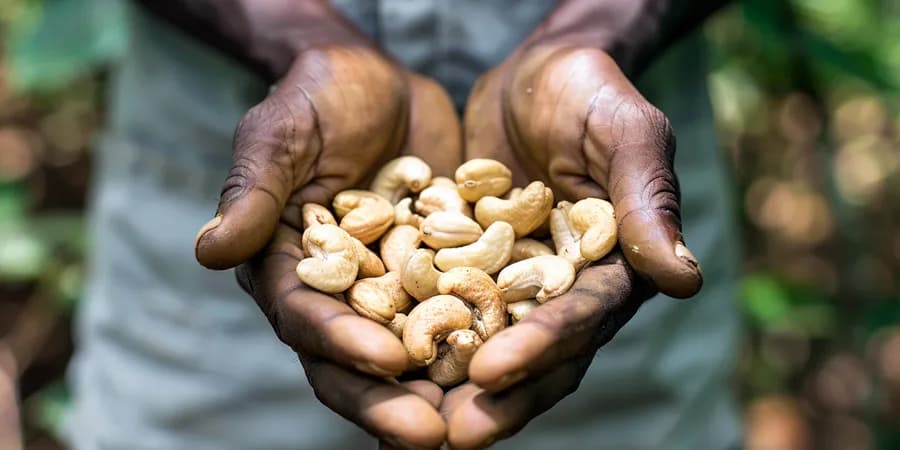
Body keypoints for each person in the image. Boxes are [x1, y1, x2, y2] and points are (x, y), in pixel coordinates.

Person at [68, 1, 741, 449]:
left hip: (597, 157)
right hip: (220, 160)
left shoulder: (504, 233)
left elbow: (452, 260)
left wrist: (591, 32)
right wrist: (305, 36)